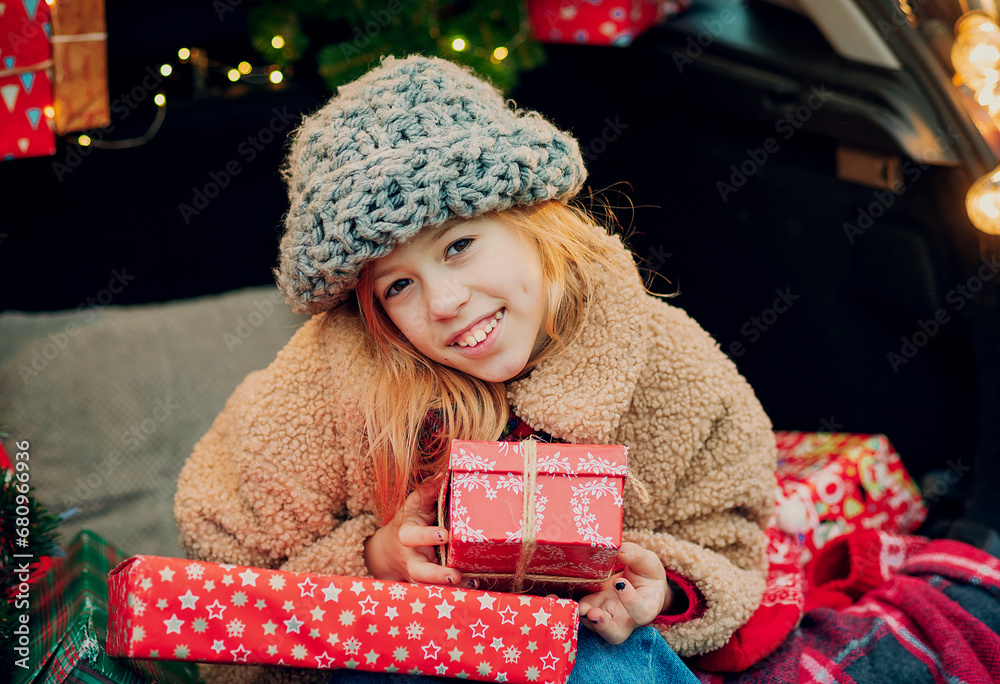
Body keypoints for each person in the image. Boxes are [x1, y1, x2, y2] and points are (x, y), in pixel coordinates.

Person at [175, 55, 776, 684]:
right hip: (401, 651)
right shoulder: (326, 381)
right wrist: (374, 560)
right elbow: (229, 579)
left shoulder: (667, 360)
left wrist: (659, 590)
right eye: (399, 286)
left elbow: (728, 543)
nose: (443, 302)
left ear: (533, 221)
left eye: (458, 246)